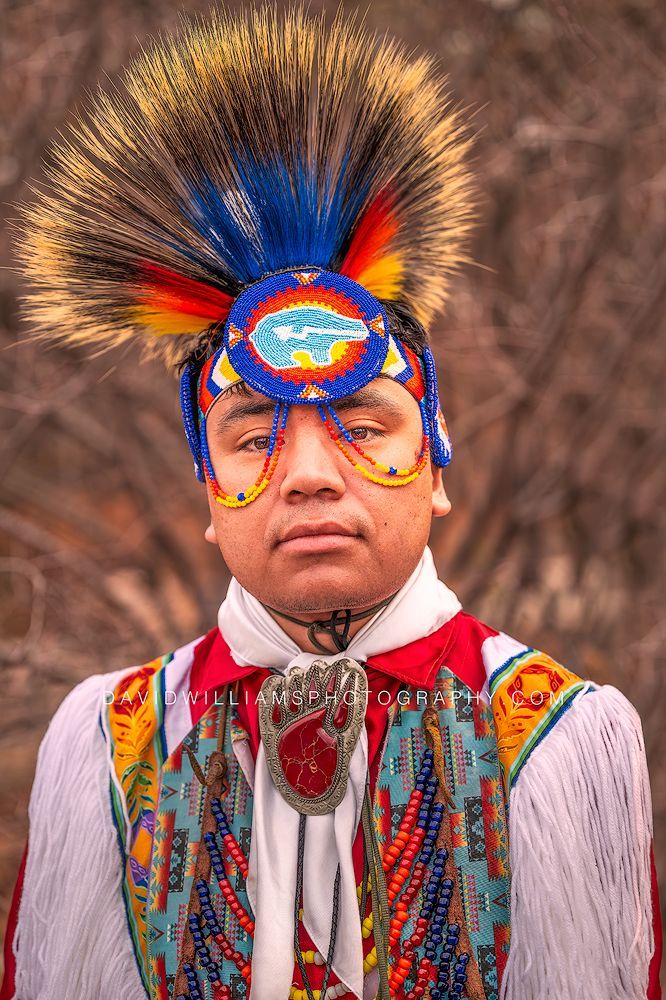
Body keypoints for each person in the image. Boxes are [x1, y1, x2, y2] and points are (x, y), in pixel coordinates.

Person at [1, 7, 661, 1000]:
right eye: (255, 436)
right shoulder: (105, 747)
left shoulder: (557, 744)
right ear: (208, 491)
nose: (308, 472)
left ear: (435, 462)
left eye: (360, 421)